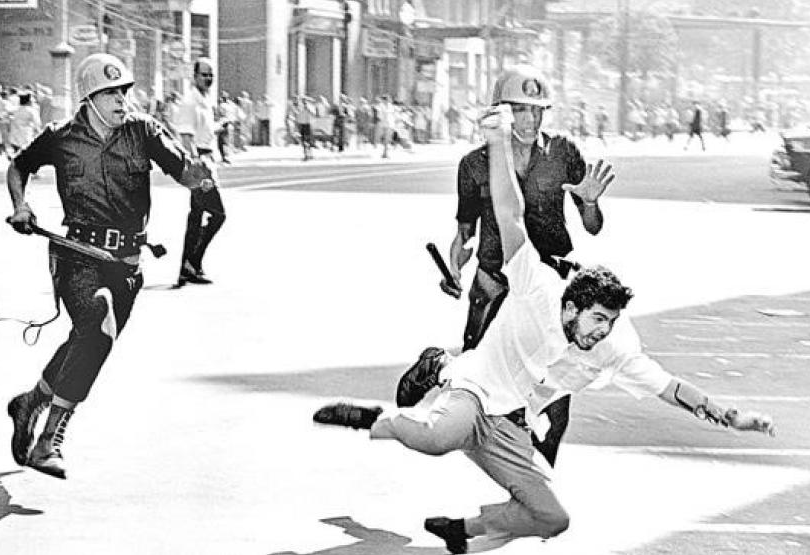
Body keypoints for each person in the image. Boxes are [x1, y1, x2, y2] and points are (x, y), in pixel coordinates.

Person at [313, 100, 776, 554]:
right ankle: (381, 414)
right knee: (440, 436)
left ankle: (467, 532)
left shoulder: (613, 347)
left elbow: (670, 388)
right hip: (476, 392)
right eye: (597, 319)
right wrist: (497, 140)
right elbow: (508, 213)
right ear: (571, 306)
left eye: (610, 323)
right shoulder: (538, 288)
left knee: (553, 517)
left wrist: (731, 417)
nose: (601, 333)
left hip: (513, 420)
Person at [4, 53, 215, 479]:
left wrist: (199, 178)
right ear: (89, 98)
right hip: (76, 256)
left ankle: (32, 400)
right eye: (111, 93)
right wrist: (21, 207)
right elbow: (18, 166)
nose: (122, 101)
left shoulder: (142, 130)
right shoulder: (61, 137)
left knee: (87, 342)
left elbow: (181, 169)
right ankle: (49, 440)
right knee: (98, 327)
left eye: (124, 92)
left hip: (127, 266)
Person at [418, 66, 607, 467]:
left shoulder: (563, 154)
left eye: (537, 111)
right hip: (495, 285)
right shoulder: (473, 165)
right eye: (519, 111)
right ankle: (438, 364)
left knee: (556, 405)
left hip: (552, 289)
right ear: (499, 113)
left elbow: (592, 227)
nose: (530, 120)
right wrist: (455, 266)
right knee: (476, 388)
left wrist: (589, 203)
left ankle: (536, 483)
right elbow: (463, 233)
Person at [173, 58, 227, 287]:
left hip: (206, 160)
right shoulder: (189, 102)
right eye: (204, 75)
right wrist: (198, 167)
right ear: (194, 77)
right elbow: (186, 138)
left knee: (196, 216)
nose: (208, 79)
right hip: (197, 165)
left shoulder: (205, 100)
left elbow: (202, 131)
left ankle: (188, 268)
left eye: (211, 75)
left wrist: (219, 125)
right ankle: (192, 261)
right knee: (218, 214)